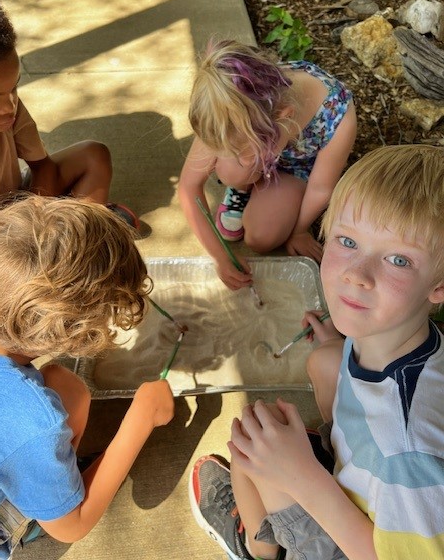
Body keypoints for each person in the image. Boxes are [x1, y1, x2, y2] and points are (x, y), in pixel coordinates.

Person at [189, 144, 444, 560]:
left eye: (398, 259)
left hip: (360, 545)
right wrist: (337, 344)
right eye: (347, 240)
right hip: (370, 492)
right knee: (324, 362)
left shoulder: (409, 454)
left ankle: (257, 547)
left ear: (439, 286)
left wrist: (304, 476)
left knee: (252, 451)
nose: (355, 274)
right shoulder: (397, 337)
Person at [0, 195, 174, 559]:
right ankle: (5, 528)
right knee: (62, 404)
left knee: (67, 389)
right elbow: (72, 527)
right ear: (76, 336)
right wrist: (141, 418)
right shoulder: (29, 424)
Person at [0, 0, 141, 238]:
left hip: (16, 208)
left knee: (94, 155)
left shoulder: (8, 106)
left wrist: (37, 219)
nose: (9, 106)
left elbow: (42, 166)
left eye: (14, 88)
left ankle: (78, 235)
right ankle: (77, 237)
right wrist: (29, 236)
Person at [178, 39, 356, 290]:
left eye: (243, 151)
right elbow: (188, 188)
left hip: (298, 170)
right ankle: (241, 188)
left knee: (261, 239)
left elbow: (320, 188)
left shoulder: (338, 115)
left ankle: (254, 184)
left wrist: (299, 230)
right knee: (231, 169)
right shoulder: (230, 105)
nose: (234, 156)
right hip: (266, 147)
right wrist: (220, 256)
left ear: (284, 118)